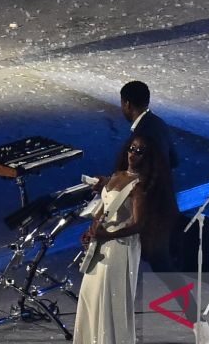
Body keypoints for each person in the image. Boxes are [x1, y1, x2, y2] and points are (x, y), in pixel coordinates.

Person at [73, 133, 178, 344]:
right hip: (100, 245)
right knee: (90, 294)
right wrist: (91, 231)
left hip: (118, 250)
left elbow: (138, 225)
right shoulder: (116, 176)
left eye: (139, 152)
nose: (133, 154)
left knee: (108, 299)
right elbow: (101, 211)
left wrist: (109, 235)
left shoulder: (139, 188)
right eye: (132, 149)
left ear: (147, 158)